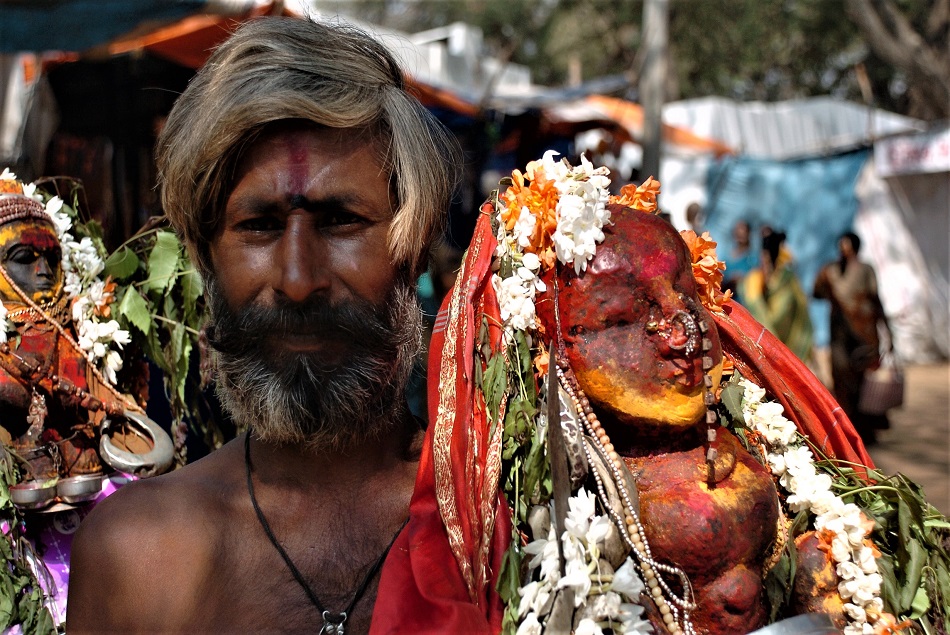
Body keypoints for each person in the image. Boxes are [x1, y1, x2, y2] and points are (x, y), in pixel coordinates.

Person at [66, 16, 460, 634]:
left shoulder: (508, 528)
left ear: (413, 248)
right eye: (258, 226)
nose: (299, 280)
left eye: (340, 221)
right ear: (206, 257)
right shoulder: (136, 557)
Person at [813, 231, 893, 444]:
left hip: (865, 334)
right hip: (839, 336)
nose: (843, 248)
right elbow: (817, 293)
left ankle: (867, 430)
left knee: (866, 384)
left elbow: (876, 300)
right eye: (840, 244)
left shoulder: (866, 270)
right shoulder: (830, 271)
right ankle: (848, 430)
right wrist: (823, 279)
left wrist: (889, 332)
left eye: (846, 244)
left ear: (855, 247)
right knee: (842, 379)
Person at [741, 230, 813, 361]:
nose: (764, 263)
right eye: (762, 258)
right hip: (769, 345)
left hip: (790, 340)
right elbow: (755, 305)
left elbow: (795, 307)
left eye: (767, 260)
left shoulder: (787, 280)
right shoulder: (755, 280)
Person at [722, 219, 757, 302]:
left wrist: (741, 278)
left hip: (742, 300)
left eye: (743, 232)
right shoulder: (727, 253)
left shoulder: (751, 257)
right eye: (738, 232)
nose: (740, 235)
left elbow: (755, 277)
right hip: (726, 295)